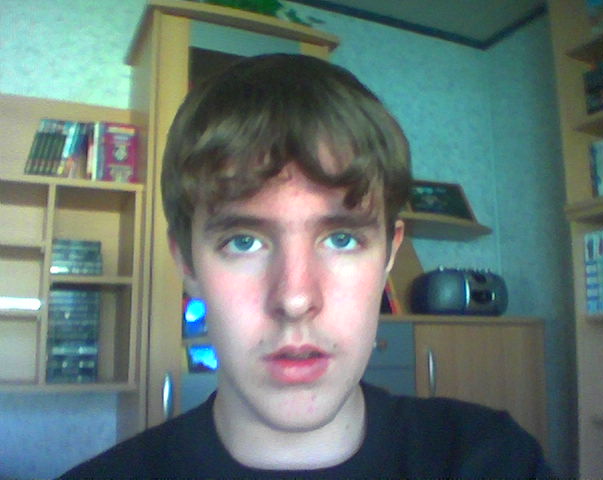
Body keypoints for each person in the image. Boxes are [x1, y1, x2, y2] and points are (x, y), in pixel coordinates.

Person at [60, 53, 552, 479]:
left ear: (389, 254)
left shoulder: (495, 459)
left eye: (341, 238)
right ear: (186, 263)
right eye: (243, 242)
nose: (295, 299)